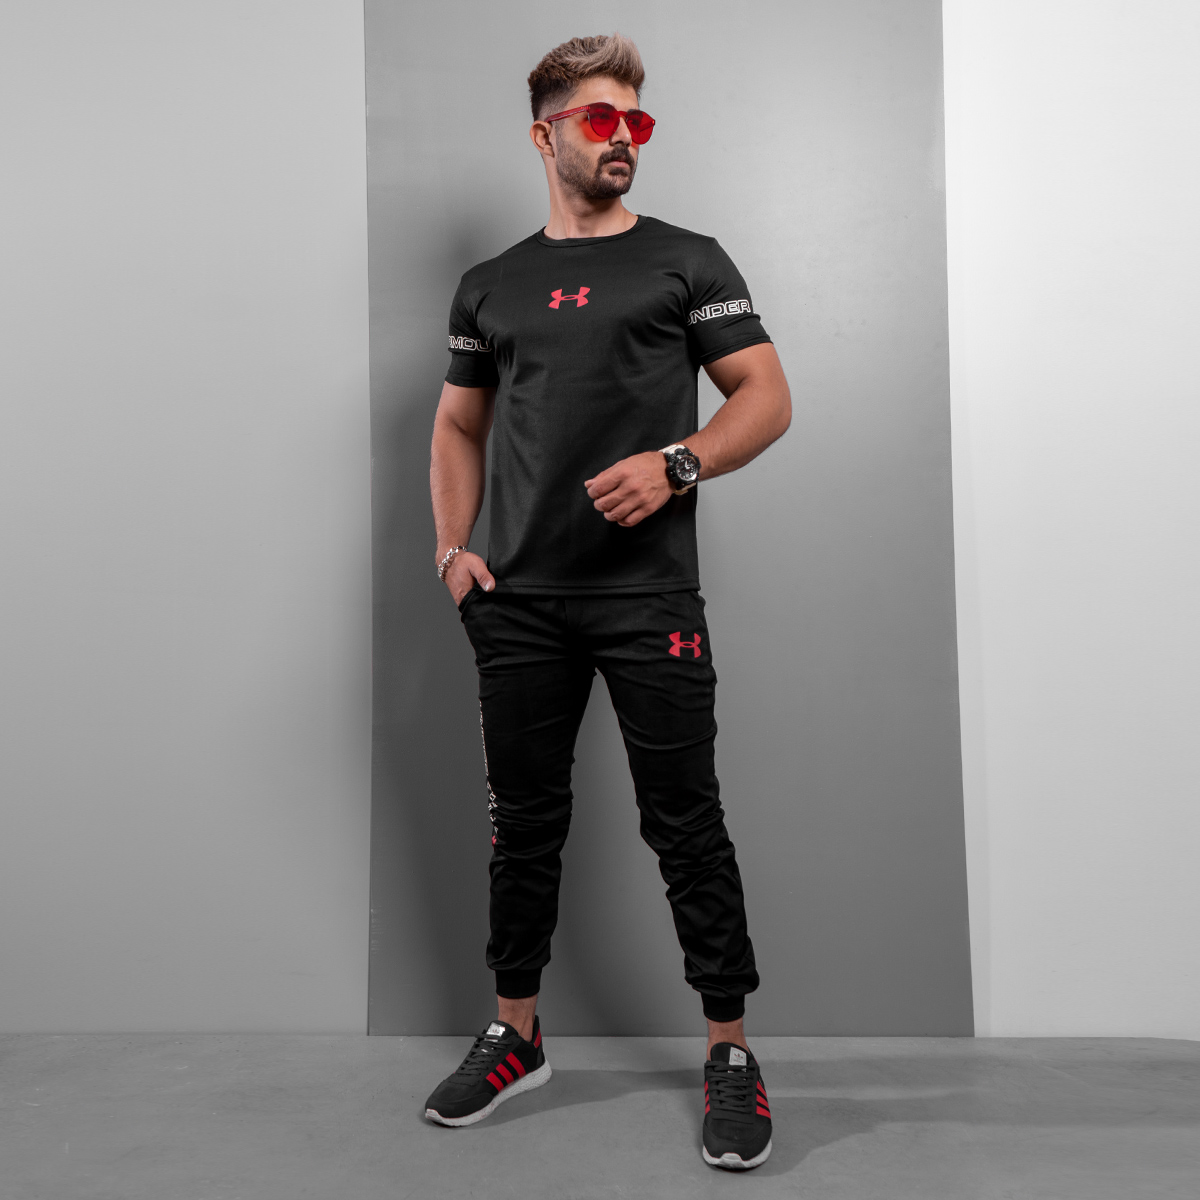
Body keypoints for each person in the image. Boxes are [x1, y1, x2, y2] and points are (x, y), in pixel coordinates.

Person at [422, 33, 790, 1171]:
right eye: (600, 119)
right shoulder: (490, 284)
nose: (624, 137)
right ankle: (517, 1034)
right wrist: (453, 552)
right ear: (545, 135)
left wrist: (680, 463)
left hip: (647, 600)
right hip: (519, 602)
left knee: (686, 823)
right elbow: (458, 422)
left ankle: (730, 1050)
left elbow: (765, 396)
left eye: (637, 121)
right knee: (521, 825)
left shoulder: (687, 261)